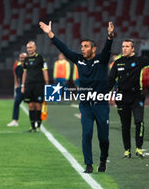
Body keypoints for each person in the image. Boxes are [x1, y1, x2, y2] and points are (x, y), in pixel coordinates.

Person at [39, 20, 114, 173]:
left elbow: (107, 49)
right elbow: (64, 48)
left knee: (103, 138)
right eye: (81, 46)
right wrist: (50, 34)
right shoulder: (78, 59)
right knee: (86, 134)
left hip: (101, 104)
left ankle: (103, 159)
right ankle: (88, 164)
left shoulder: (102, 60)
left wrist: (110, 37)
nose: (83, 48)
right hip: (86, 105)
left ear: (94, 48)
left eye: (86, 46)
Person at [108, 39, 149, 158]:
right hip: (122, 97)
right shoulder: (117, 63)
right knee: (125, 125)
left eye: (127, 46)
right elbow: (110, 80)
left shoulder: (139, 61)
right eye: (123, 46)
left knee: (139, 122)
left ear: (133, 49)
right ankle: (127, 150)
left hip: (137, 97)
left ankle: (139, 148)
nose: (124, 48)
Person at [21, 41, 49, 133]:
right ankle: (32, 126)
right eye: (28, 47)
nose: (29, 49)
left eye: (30, 47)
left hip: (39, 85)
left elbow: (45, 71)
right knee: (30, 106)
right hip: (29, 85)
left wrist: (47, 84)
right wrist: (23, 85)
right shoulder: (25, 60)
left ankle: (38, 126)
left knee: (38, 105)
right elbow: (24, 73)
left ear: (35, 48)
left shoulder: (40, 58)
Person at [7, 52, 27, 127]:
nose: (22, 59)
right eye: (21, 58)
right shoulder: (18, 68)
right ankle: (15, 120)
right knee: (16, 103)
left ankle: (34, 121)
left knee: (32, 105)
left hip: (29, 88)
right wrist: (17, 86)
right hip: (21, 89)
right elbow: (16, 78)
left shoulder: (30, 67)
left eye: (23, 58)